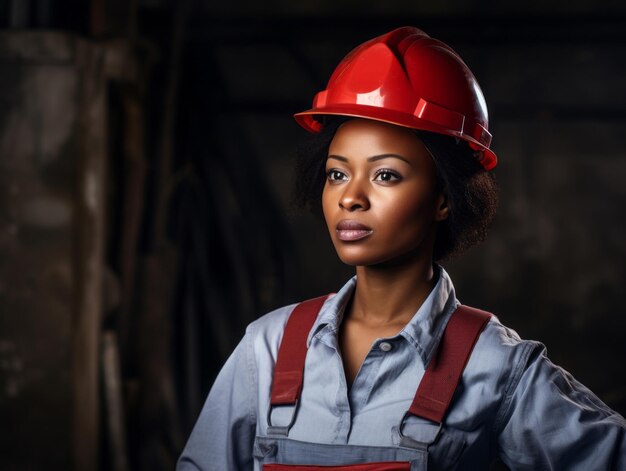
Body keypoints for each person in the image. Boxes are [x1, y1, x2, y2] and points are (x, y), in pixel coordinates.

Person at [178, 27, 625, 470]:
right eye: (337, 173)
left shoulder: (495, 367)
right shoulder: (268, 349)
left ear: (444, 198)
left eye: (385, 175)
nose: (350, 197)